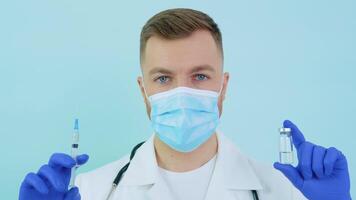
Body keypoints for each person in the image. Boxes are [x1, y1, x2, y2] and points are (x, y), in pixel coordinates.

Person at [19, 8, 351, 200]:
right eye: (163, 78)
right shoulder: (91, 192)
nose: (182, 94)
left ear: (224, 86)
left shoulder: (284, 192)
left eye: (200, 77)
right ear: (143, 90)